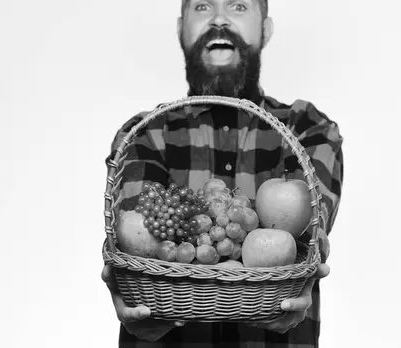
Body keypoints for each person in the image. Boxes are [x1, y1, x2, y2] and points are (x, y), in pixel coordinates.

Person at [101, 0, 344, 346]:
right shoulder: (144, 133)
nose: (218, 19)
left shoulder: (307, 129)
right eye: (202, 6)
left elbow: (309, 237)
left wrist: (306, 263)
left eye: (238, 6)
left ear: (266, 29)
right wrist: (126, 283)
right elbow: (137, 242)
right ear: (179, 28)